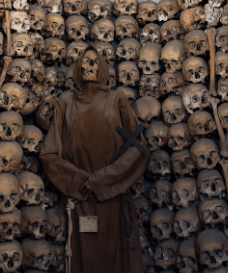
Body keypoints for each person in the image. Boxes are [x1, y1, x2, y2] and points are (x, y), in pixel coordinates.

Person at [40, 46, 148, 273]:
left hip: (113, 200)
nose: (88, 66)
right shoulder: (65, 104)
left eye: (94, 62)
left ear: (104, 69)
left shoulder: (118, 99)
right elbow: (49, 155)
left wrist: (101, 180)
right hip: (81, 200)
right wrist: (81, 181)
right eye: (84, 61)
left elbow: (138, 149)